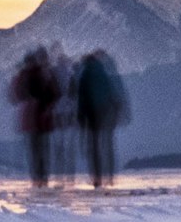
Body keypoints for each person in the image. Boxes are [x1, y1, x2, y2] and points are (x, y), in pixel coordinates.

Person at [8, 45, 65, 194]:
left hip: (29, 119)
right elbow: (56, 93)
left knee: (33, 151)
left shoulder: (22, 75)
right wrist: (48, 108)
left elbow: (14, 96)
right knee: (43, 150)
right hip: (44, 119)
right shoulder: (46, 74)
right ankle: (43, 179)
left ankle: (36, 180)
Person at [73, 45, 129, 190]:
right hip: (106, 113)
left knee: (94, 146)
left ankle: (97, 177)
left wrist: (81, 117)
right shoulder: (104, 72)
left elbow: (82, 98)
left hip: (91, 114)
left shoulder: (85, 75)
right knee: (107, 145)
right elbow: (112, 94)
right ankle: (109, 175)